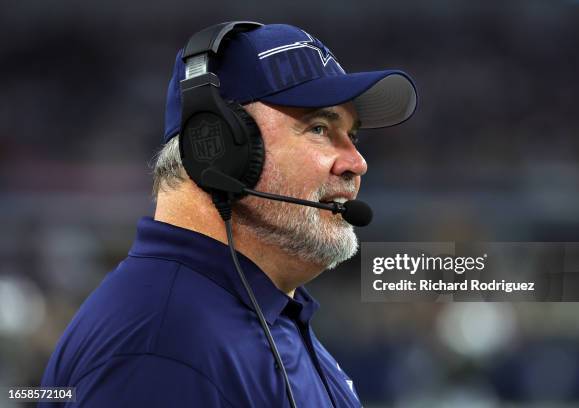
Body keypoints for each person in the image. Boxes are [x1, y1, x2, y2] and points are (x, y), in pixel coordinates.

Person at [39, 22, 417, 407]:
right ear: (218, 149)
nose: (357, 162)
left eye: (352, 137)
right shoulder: (164, 349)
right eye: (319, 128)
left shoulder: (257, 314)